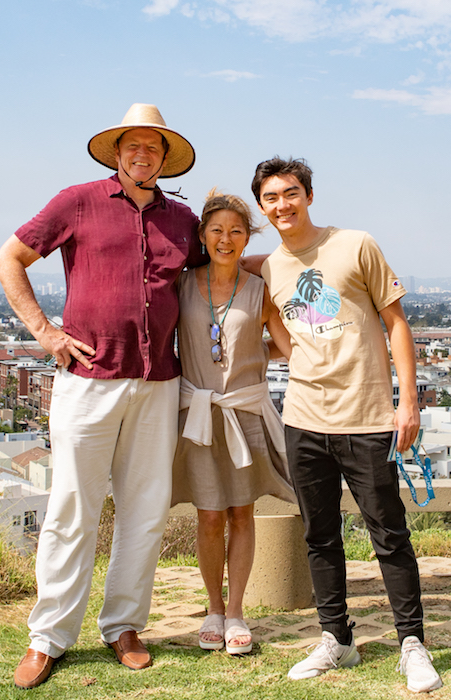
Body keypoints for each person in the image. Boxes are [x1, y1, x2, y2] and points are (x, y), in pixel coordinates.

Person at [0, 103, 207, 690]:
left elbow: (220, 273)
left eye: (153, 148)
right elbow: (8, 259)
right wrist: (44, 331)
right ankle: (49, 639)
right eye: (132, 146)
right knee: (70, 510)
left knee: (145, 510)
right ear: (117, 153)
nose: (143, 155)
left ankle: (124, 627)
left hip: (159, 382)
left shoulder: (183, 221)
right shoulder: (77, 201)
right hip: (87, 382)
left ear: (165, 159)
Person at [249, 157, 442, 693]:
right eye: (271, 198)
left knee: (389, 533)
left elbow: (396, 323)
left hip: (368, 418)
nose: (282, 205)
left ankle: (412, 643)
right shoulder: (270, 270)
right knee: (320, 536)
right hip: (304, 421)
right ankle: (338, 639)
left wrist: (408, 404)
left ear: (309, 195)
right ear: (263, 209)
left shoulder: (356, 244)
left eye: (291, 193)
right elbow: (280, 334)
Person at [171, 189, 296, 655]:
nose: (226, 239)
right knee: (207, 515)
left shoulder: (260, 289)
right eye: (217, 230)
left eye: (236, 231)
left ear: (248, 237)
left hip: (243, 412)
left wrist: (251, 359)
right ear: (202, 234)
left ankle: (238, 611)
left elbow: (287, 344)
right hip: (198, 416)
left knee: (242, 512)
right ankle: (213, 608)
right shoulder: (182, 283)